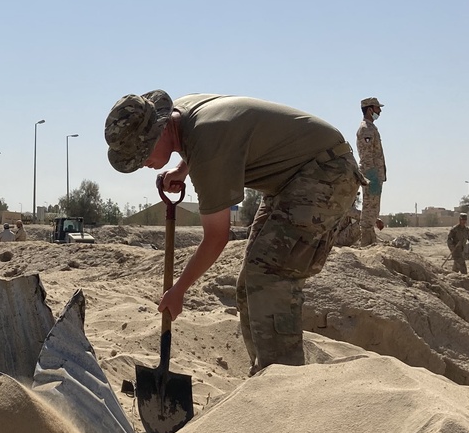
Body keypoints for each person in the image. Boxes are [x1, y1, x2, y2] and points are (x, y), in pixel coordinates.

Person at [105, 91, 361, 373]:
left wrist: (179, 290)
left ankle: (285, 379)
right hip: (292, 178)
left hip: (326, 172)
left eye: (143, 153)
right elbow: (211, 140)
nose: (143, 163)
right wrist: (182, 169)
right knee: (249, 283)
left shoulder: (208, 143)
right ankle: (266, 372)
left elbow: (216, 238)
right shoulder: (184, 115)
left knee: (270, 275)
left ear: (161, 128)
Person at [356, 97, 386, 247]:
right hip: (371, 174)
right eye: (377, 108)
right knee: (369, 209)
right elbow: (367, 156)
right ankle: (366, 243)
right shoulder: (366, 129)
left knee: (373, 209)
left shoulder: (371, 128)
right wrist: (372, 177)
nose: (379, 111)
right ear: (369, 109)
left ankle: (370, 242)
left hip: (375, 174)